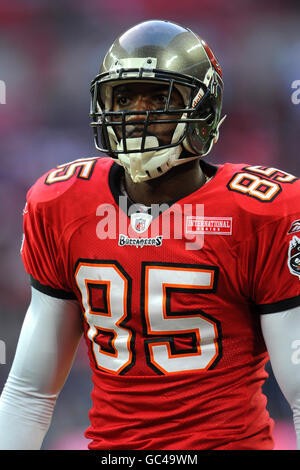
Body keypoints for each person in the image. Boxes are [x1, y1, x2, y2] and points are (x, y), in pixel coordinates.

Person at [0, 19, 300, 451]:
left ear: (203, 109)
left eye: (158, 97)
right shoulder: (61, 201)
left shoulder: (261, 212)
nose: (137, 113)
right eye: (123, 98)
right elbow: (30, 393)